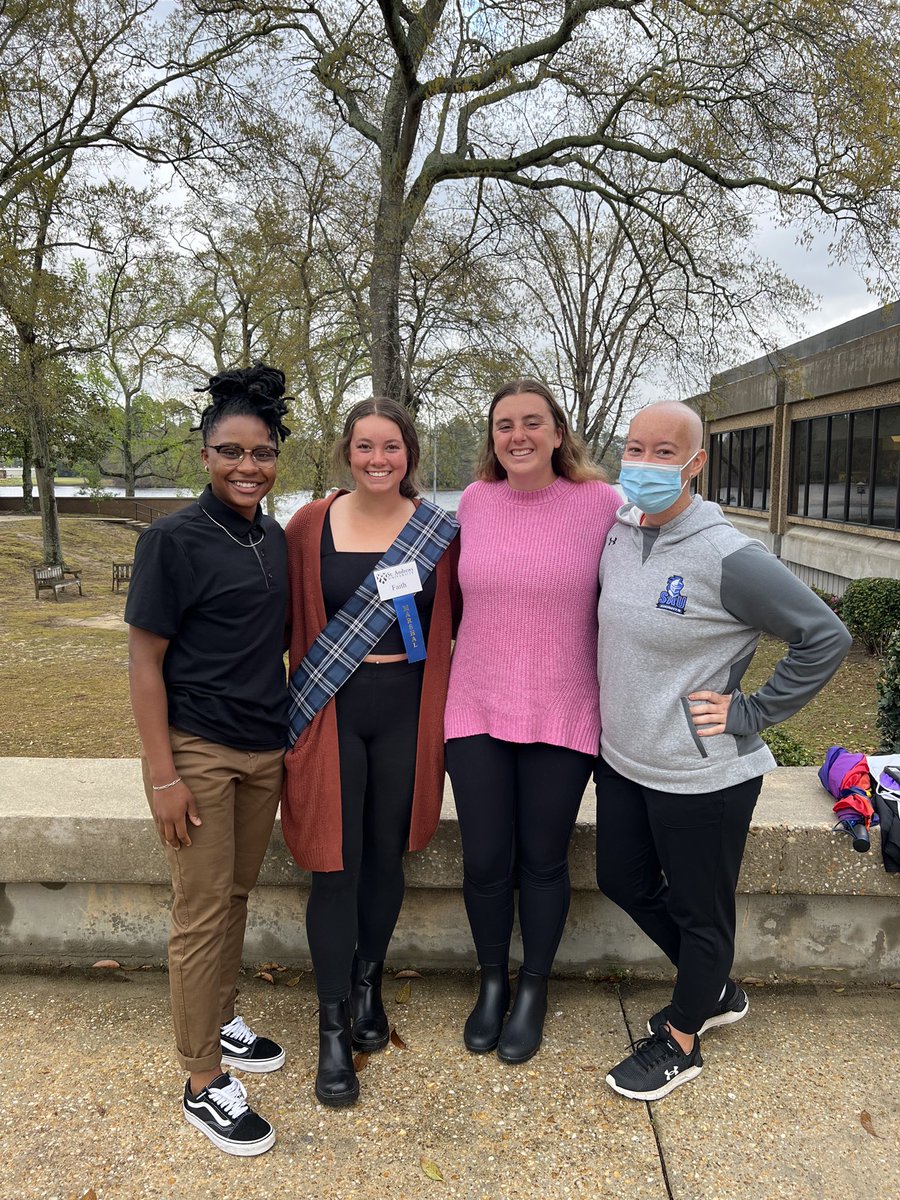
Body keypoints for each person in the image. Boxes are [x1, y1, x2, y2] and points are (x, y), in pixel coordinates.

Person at [595, 400, 852, 1101]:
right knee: (622, 879)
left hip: (702, 772)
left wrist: (754, 710)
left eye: (664, 452)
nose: (646, 465)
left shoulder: (727, 554)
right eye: (636, 448)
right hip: (624, 758)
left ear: (696, 463)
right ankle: (713, 989)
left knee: (700, 913)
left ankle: (683, 1037)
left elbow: (824, 636)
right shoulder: (618, 531)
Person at [126, 363, 292, 1156]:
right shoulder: (171, 540)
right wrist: (162, 773)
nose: (246, 466)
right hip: (197, 749)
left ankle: (220, 1018)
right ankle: (201, 1082)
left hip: (265, 748)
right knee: (198, 913)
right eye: (230, 451)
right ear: (204, 453)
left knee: (234, 895)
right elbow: (143, 662)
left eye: (260, 452)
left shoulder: (273, 536)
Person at [282, 398, 459, 1107]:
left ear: (410, 453)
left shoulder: (440, 533)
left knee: (385, 859)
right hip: (330, 711)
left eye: (391, 446)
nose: (378, 459)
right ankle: (330, 1029)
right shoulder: (307, 527)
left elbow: (476, 617)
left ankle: (367, 986)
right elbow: (270, 616)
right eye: (365, 447)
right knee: (334, 866)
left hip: (407, 715)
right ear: (346, 454)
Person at [444, 378, 620, 1064]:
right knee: (486, 859)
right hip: (478, 707)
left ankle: (534, 988)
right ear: (492, 439)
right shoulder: (475, 503)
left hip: (563, 707)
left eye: (530, 423)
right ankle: (491, 980)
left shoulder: (600, 504)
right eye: (503, 425)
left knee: (544, 860)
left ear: (557, 432)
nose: (516, 436)